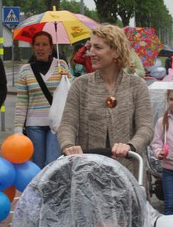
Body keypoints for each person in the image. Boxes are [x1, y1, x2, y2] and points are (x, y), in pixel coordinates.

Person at [57, 24, 154, 177]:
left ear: (115, 52)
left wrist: (131, 146)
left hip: (127, 171)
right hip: (89, 170)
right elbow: (67, 124)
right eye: (90, 47)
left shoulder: (137, 85)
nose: (90, 53)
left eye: (98, 48)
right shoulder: (80, 85)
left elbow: (146, 127)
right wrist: (68, 145)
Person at [14, 31, 72, 169]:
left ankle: (51, 191)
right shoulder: (25, 71)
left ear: (51, 48)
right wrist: (17, 129)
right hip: (34, 125)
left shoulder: (61, 66)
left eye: (44, 44)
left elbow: (70, 94)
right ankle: (38, 191)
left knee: (53, 164)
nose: (41, 48)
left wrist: (68, 78)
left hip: (56, 123)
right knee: (37, 166)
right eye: (37, 45)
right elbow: (22, 102)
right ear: (33, 47)